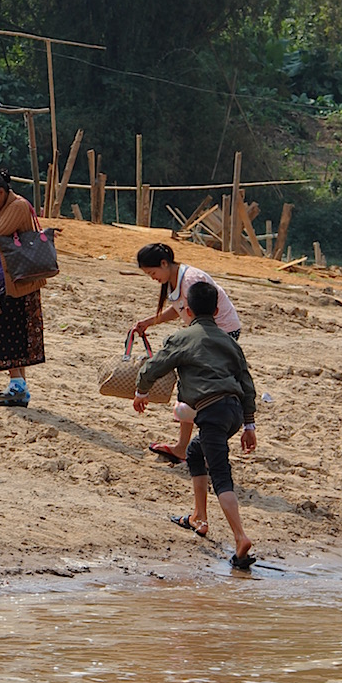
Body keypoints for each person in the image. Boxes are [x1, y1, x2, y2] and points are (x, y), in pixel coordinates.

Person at [133, 281, 258, 569]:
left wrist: (141, 391)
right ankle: (198, 518)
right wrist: (249, 426)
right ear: (216, 311)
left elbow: (155, 366)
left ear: (187, 310)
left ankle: (241, 538)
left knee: (221, 475)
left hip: (211, 411)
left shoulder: (183, 337)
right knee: (194, 451)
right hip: (233, 413)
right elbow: (247, 384)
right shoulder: (230, 342)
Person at [134, 242, 243, 462]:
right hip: (205, 333)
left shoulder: (192, 279)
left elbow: (204, 312)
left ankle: (196, 445)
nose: (153, 278)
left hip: (220, 333)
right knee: (190, 383)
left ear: (164, 264)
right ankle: (184, 446)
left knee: (199, 386)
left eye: (152, 273)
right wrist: (149, 322)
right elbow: (179, 310)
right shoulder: (175, 280)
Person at [0, 170, 46, 407]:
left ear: (1, 192)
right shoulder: (4, 207)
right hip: (8, 280)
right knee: (15, 334)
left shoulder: (17, 207)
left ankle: (17, 384)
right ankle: (19, 388)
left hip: (18, 283)